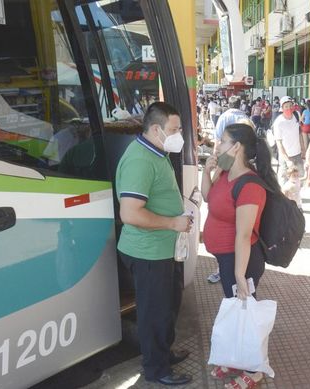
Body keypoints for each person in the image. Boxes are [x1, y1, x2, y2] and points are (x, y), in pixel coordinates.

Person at [115, 102, 193, 385]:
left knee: (169, 305)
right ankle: (156, 369)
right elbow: (130, 213)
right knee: (154, 313)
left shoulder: (157, 151)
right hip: (147, 253)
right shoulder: (141, 160)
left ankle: (163, 353)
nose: (179, 135)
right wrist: (173, 223)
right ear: (157, 129)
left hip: (163, 249)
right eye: (174, 130)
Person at [202, 122, 280, 389]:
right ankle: (238, 360)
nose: (218, 146)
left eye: (222, 141)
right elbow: (207, 197)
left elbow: (244, 235)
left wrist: (239, 274)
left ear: (236, 147)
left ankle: (256, 369)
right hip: (226, 259)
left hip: (242, 261)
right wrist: (207, 171)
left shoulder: (250, 185)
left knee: (249, 312)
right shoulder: (225, 172)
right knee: (238, 310)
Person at [273, 96, 304, 186]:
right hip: (285, 157)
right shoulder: (279, 122)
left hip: (297, 154)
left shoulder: (296, 115)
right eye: (286, 106)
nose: (289, 108)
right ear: (282, 108)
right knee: (284, 180)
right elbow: (279, 143)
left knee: (299, 178)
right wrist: (287, 160)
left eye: (290, 105)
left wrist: (303, 148)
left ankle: (297, 198)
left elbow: (299, 133)